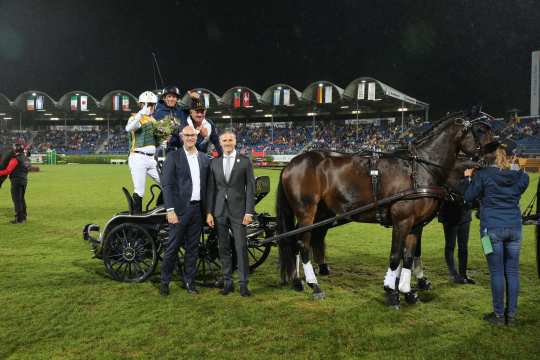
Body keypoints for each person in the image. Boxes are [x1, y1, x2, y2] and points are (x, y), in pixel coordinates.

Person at [464, 141, 529, 326]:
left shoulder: (483, 175)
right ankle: (512, 315)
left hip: (489, 230)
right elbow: (524, 179)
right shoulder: (520, 177)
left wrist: (469, 178)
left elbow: (468, 197)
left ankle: (499, 316)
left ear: (489, 157)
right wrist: (515, 166)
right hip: (515, 229)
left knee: (496, 272)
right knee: (513, 272)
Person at [160, 125, 210, 296]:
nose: (190, 138)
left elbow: (208, 187)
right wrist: (170, 210)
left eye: (193, 135)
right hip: (180, 211)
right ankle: (164, 281)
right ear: (182, 137)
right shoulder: (173, 156)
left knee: (193, 249)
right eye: (187, 135)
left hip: (197, 210)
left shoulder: (204, 158)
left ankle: (189, 281)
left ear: (196, 137)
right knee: (172, 247)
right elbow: (166, 185)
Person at [206, 130, 255, 297]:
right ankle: (227, 282)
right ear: (220, 143)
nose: (227, 143)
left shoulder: (245, 162)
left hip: (239, 212)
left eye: (230, 140)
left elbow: (251, 189)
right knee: (223, 247)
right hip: (219, 211)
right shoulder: (214, 162)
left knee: (240, 247)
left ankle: (243, 284)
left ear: (235, 142)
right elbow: (211, 190)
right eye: (224, 140)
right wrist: (209, 213)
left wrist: (249, 212)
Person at [125, 91, 160, 214]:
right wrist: (140, 114)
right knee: (139, 190)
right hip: (138, 158)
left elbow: (154, 140)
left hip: (151, 159)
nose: (150, 107)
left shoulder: (154, 120)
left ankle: (162, 210)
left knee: (166, 183)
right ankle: (136, 217)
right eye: (147, 104)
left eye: (152, 104)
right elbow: (128, 128)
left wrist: (163, 141)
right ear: (141, 105)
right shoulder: (136, 117)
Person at [438, 173, 475, 284]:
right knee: (450, 245)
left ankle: (463, 274)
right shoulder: (447, 179)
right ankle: (454, 274)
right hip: (450, 217)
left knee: (463, 247)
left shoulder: (469, 179)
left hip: (464, 217)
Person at [0, 143, 30, 224]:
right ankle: (24, 217)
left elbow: (8, 171)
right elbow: (27, 169)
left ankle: (19, 219)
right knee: (22, 199)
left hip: (16, 181)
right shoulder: (26, 159)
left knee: (16, 200)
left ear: (15, 150)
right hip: (24, 180)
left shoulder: (15, 159)